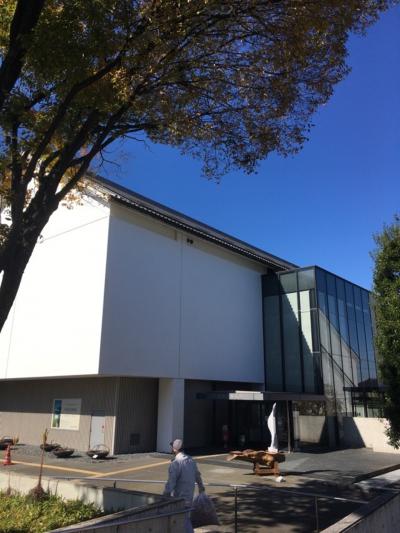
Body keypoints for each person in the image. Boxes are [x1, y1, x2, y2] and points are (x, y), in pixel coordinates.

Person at [163, 438, 205, 533]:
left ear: (174, 449)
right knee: (184, 519)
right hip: (189, 496)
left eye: (172, 447)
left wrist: (165, 495)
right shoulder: (190, 460)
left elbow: (171, 482)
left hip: (179, 498)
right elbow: (197, 475)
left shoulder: (176, 463)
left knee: (183, 521)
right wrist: (201, 487)